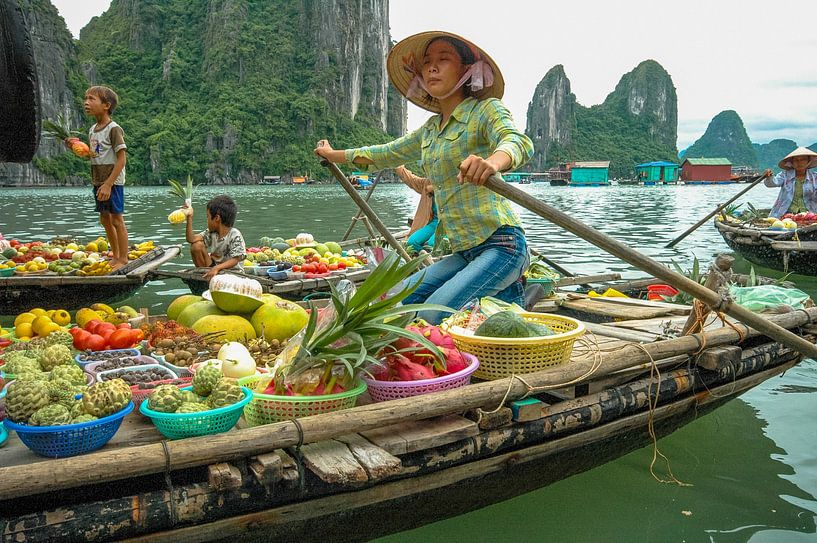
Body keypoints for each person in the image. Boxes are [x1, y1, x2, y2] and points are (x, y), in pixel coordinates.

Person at [315, 31, 534, 324]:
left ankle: (510, 296)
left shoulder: (484, 111)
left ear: (467, 71)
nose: (432, 67)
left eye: (444, 59)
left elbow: (517, 141)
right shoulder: (430, 130)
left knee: (431, 314)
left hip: (502, 245)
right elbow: (383, 153)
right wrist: (334, 155)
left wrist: (492, 162)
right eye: (427, 62)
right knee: (390, 301)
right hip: (463, 251)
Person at [82, 86, 129, 270]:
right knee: (105, 219)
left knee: (117, 219)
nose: (86, 102)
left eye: (92, 99)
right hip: (98, 181)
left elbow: (122, 158)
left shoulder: (114, 129)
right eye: (86, 98)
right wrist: (79, 148)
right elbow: (96, 154)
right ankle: (115, 256)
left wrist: (109, 184)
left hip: (112, 182)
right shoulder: (92, 130)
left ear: (106, 105)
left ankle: (123, 259)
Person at [184, 195, 246, 280]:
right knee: (196, 246)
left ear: (217, 218)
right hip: (214, 269)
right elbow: (191, 239)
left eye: (208, 217)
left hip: (233, 274)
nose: (207, 220)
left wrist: (217, 268)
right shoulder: (211, 233)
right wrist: (189, 217)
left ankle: (210, 278)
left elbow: (235, 260)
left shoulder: (235, 235)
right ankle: (204, 277)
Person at [395, 166, 438, 253]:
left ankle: (434, 257)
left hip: (449, 223)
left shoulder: (455, 181)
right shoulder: (426, 183)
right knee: (412, 243)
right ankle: (423, 259)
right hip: (434, 222)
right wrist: (396, 165)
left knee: (432, 244)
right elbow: (410, 179)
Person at [765, 147, 817, 218]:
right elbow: (772, 183)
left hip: (810, 214)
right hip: (785, 214)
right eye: (796, 160)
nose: (799, 162)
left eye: (803, 160)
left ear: (808, 161)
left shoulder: (815, 177)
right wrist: (769, 177)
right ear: (792, 163)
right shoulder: (784, 175)